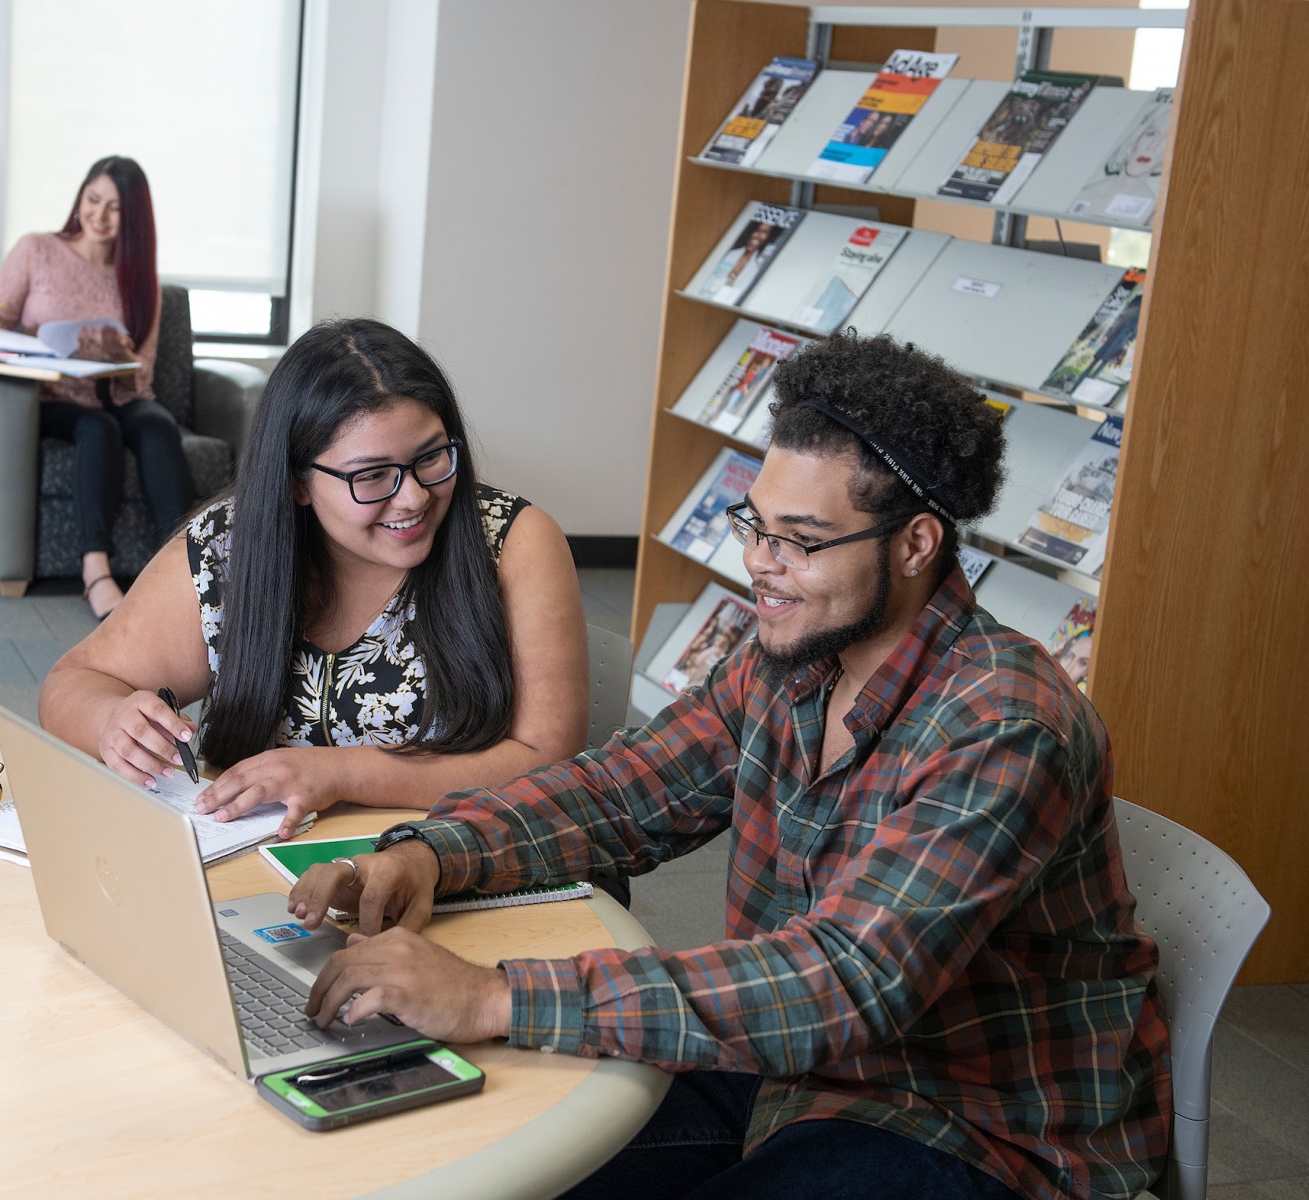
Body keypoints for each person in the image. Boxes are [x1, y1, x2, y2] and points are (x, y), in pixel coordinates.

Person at [290, 332, 1171, 1200]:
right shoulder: (792, 658)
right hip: (790, 1074)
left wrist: (492, 998)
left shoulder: (1003, 725)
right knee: (485, 1156)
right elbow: (620, 793)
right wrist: (429, 856)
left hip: (976, 1129)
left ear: (915, 545)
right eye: (757, 522)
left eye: (801, 539)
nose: (758, 561)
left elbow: (843, 984)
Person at [38, 317, 588, 839]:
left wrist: (344, 773)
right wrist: (113, 720)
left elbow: (549, 760)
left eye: (431, 458)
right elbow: (74, 681)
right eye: (373, 476)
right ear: (299, 482)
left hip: (461, 861)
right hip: (267, 872)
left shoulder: (515, 543)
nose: (415, 496)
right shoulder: (229, 549)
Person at [0, 156, 190, 618]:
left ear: (135, 219)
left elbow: (143, 371)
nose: (99, 215)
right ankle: (96, 569)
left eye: (115, 208)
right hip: (50, 397)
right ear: (80, 198)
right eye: (93, 200)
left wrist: (119, 355)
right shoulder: (36, 249)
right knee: (98, 429)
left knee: (157, 425)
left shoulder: (139, 279)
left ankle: (187, 568)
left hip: (118, 392)